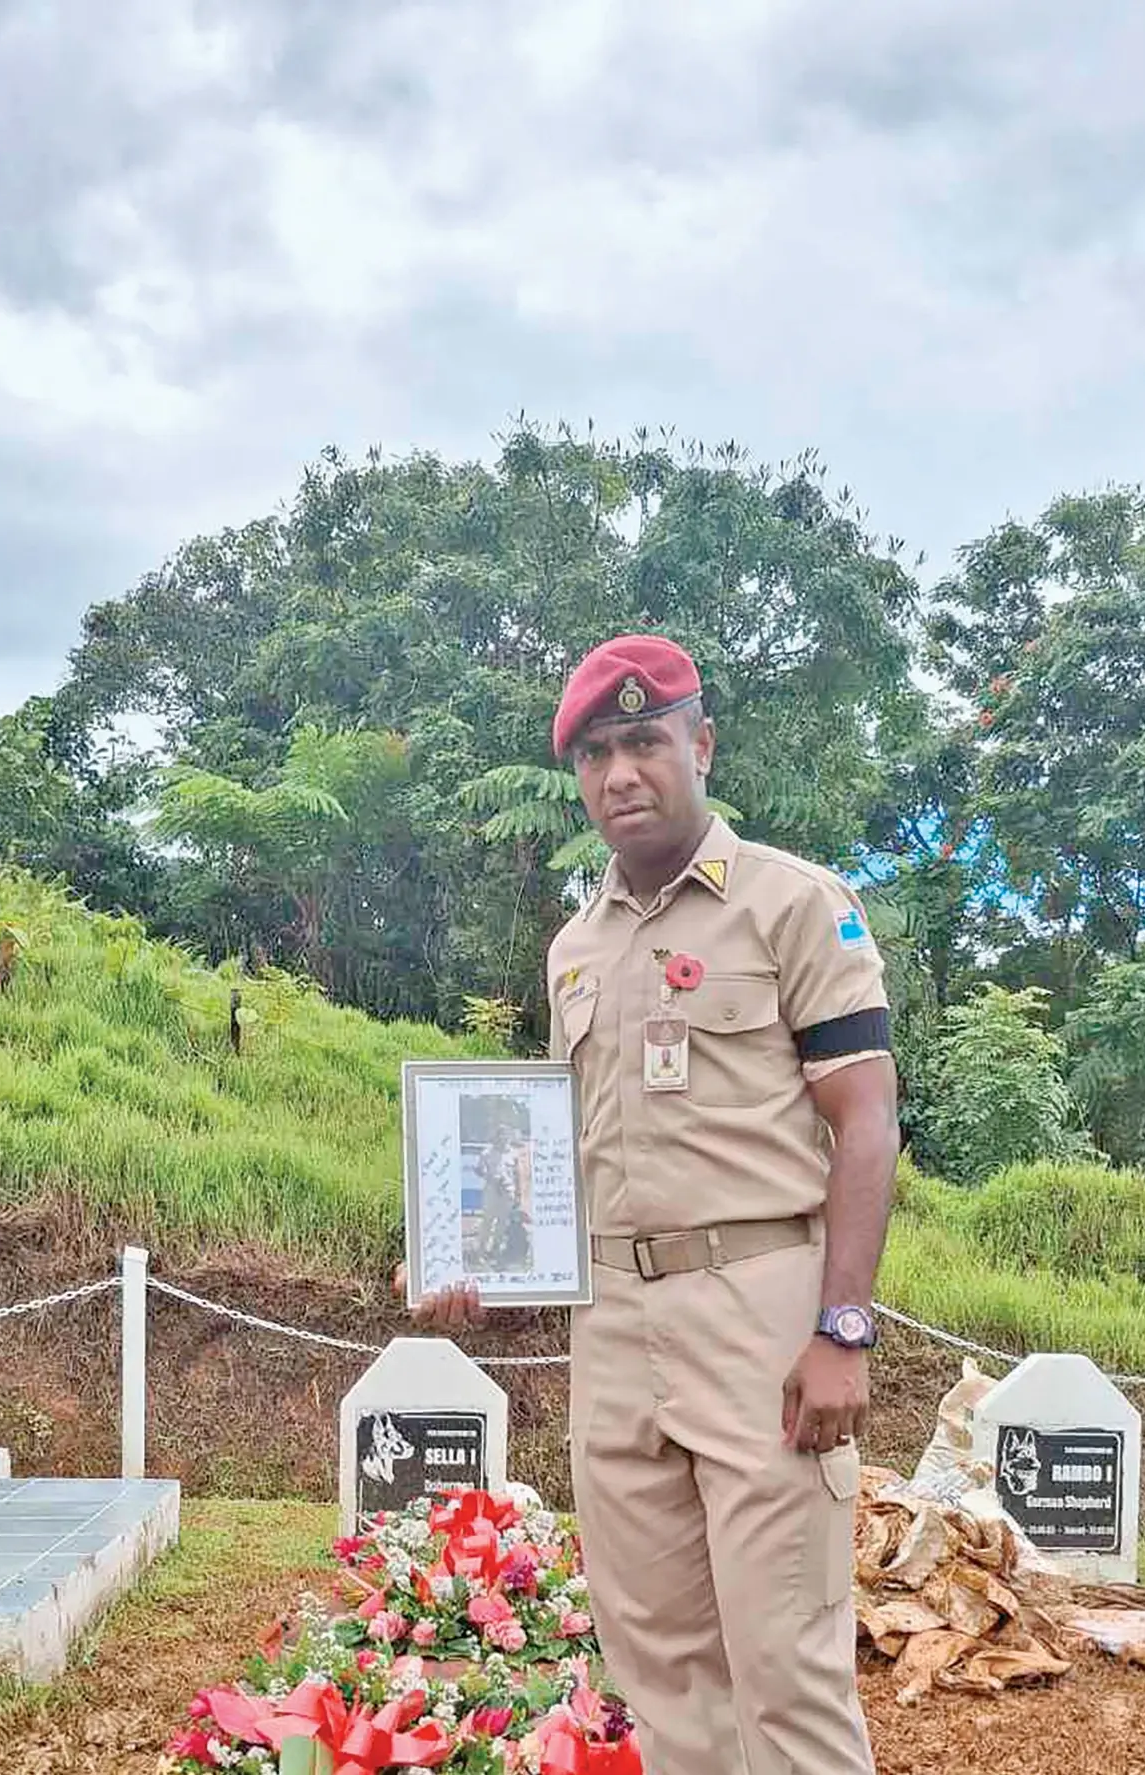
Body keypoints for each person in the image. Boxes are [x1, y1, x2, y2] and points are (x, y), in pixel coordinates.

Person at [409, 634, 900, 1772]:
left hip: (761, 1312)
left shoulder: (794, 905)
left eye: (643, 741)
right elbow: (551, 1150)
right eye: (595, 753)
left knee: (787, 1667)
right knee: (662, 1667)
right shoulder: (576, 947)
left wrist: (843, 1325)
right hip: (615, 1330)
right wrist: (469, 1249)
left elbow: (866, 1122)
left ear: (700, 744)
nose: (620, 772)